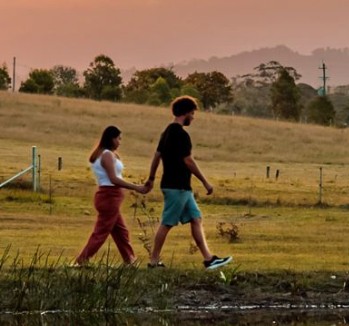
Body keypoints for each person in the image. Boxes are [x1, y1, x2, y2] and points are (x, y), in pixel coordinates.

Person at [142, 96, 232, 270]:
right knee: (167, 223)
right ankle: (153, 261)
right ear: (185, 113)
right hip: (178, 186)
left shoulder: (167, 131)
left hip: (178, 186)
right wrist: (205, 182)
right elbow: (188, 160)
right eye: (192, 113)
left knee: (196, 218)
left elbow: (157, 156)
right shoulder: (182, 134)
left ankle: (209, 259)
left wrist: (152, 178)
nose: (193, 117)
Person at [74, 125, 147, 266]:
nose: (120, 142)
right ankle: (81, 261)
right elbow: (113, 179)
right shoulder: (107, 154)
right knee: (101, 232)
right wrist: (136, 188)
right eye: (118, 139)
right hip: (109, 196)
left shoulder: (103, 153)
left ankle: (130, 260)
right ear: (112, 138)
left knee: (121, 232)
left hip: (109, 196)